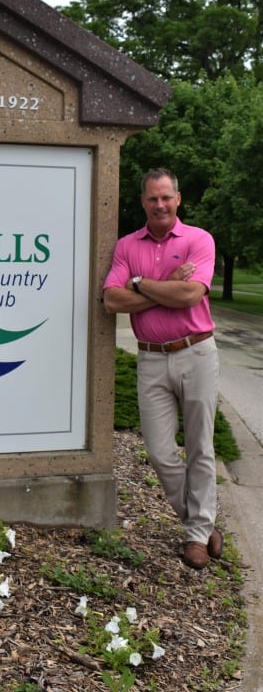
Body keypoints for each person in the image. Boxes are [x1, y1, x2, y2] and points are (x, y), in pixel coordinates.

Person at [103, 168, 222, 570]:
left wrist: (139, 284)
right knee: (159, 452)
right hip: (151, 357)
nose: (160, 204)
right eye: (153, 198)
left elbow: (189, 294)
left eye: (166, 197)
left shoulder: (198, 240)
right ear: (143, 202)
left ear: (178, 199)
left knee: (201, 448)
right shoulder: (126, 246)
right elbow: (112, 302)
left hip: (197, 353)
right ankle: (201, 523)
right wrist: (160, 284)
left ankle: (195, 537)